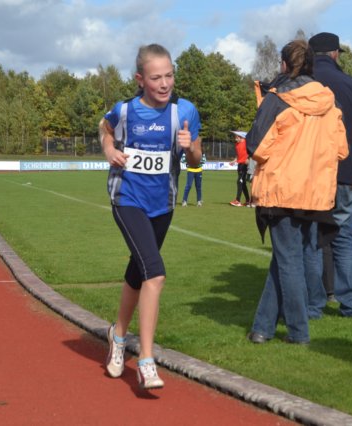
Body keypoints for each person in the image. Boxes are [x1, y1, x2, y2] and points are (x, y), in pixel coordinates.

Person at [99, 43, 202, 390]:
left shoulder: (184, 111)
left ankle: (117, 335)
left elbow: (196, 159)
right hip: (127, 198)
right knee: (154, 274)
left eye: (169, 75)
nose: (164, 83)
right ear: (140, 79)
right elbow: (105, 127)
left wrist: (190, 147)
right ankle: (145, 360)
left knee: (137, 271)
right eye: (156, 78)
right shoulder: (125, 110)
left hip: (163, 204)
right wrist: (109, 149)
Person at [245, 39, 348, 344]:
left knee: (288, 260)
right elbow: (341, 150)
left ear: (285, 65)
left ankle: (298, 331)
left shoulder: (277, 99)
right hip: (315, 192)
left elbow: (256, 147)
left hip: (282, 188)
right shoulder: (330, 103)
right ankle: (262, 328)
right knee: (284, 259)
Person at [309, 32, 352, 318]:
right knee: (343, 237)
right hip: (345, 170)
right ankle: (351, 303)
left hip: (312, 172)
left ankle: (313, 305)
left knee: (313, 237)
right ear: (335, 53)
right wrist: (348, 138)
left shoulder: (304, 83)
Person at [229, 131, 251, 207]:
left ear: (241, 137)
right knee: (243, 183)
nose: (235, 138)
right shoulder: (237, 144)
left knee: (239, 181)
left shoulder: (246, 143)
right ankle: (248, 201)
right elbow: (239, 155)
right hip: (240, 165)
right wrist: (234, 161)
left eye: (236, 136)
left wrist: (248, 159)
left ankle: (237, 201)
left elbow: (252, 151)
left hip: (244, 165)